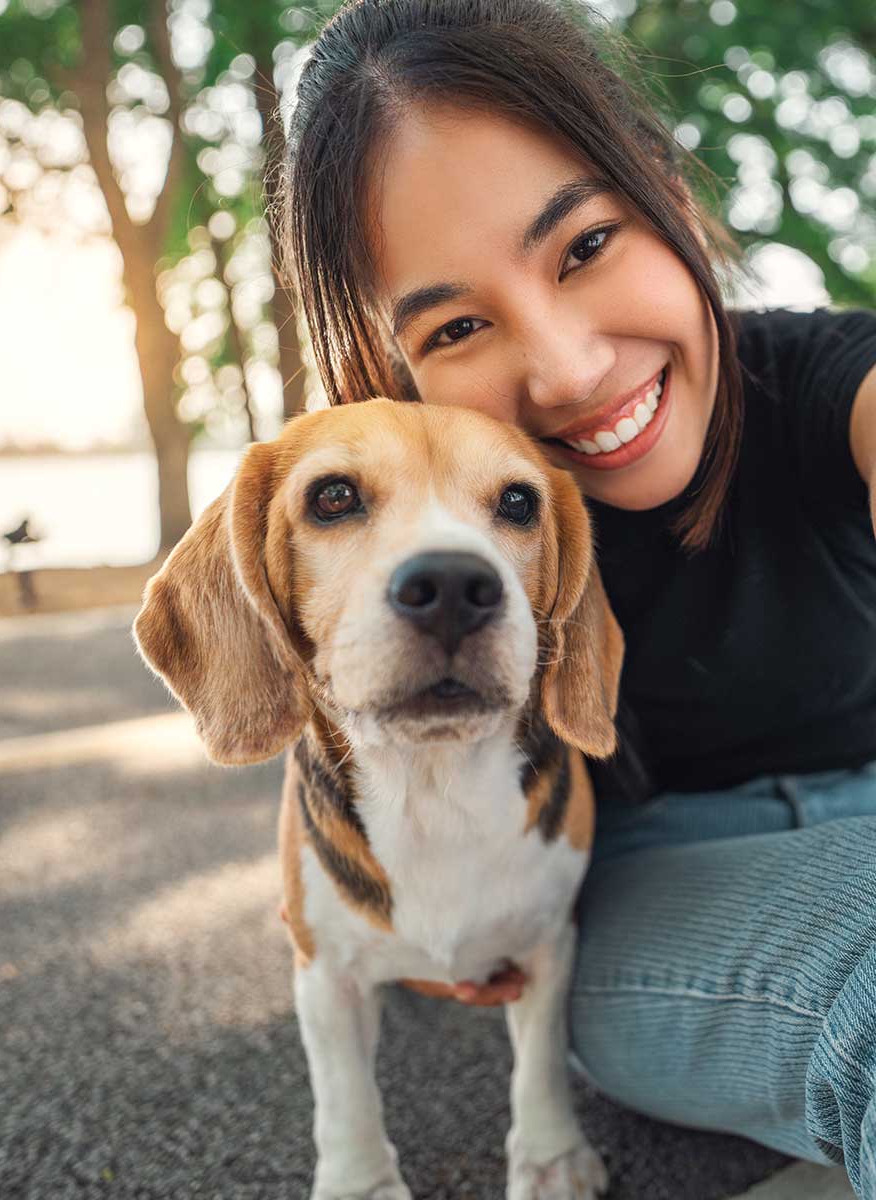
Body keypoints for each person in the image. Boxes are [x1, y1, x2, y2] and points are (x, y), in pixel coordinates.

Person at [275, 0, 876, 1189]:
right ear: (393, 373)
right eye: (453, 324)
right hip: (639, 889)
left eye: (584, 246)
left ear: (666, 192)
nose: (566, 367)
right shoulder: (407, 559)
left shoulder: (830, 384)